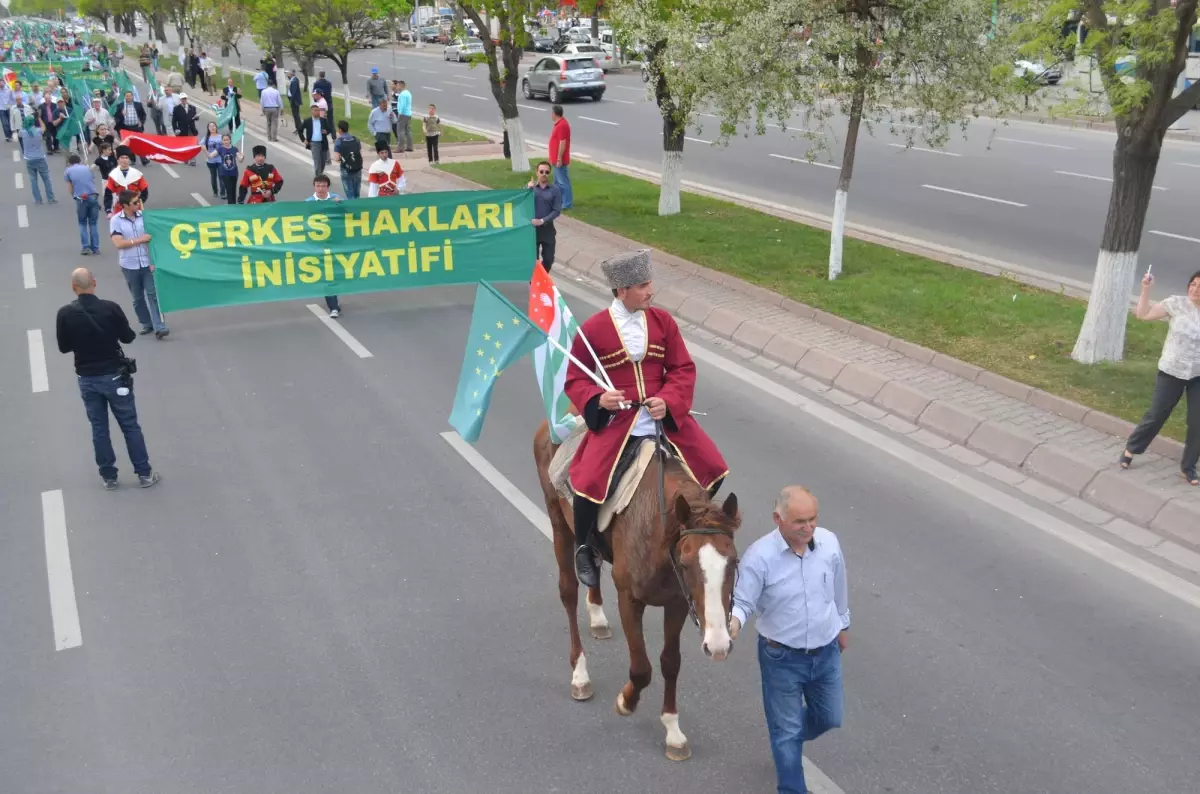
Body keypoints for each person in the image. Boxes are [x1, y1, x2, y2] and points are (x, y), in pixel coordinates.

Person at [563, 249, 728, 587]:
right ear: (622, 290)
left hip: (662, 418)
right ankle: (585, 548)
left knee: (713, 466)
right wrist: (598, 398)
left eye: (650, 283)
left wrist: (668, 401)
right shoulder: (593, 330)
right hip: (618, 423)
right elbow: (575, 379)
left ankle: (697, 532)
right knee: (587, 483)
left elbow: (682, 368)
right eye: (642, 285)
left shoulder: (663, 322)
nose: (651, 291)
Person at [729, 486, 849, 794]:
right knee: (786, 731)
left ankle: (789, 741)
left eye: (812, 519)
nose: (808, 527)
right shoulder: (759, 557)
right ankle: (790, 775)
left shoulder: (829, 543)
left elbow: (838, 587)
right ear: (778, 519)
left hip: (826, 653)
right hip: (781, 657)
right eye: (799, 522)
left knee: (830, 717)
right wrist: (733, 625)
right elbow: (743, 602)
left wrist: (842, 625)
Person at [55, 267, 161, 490]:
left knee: (99, 428)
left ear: (73, 287)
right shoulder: (110, 308)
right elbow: (128, 337)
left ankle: (109, 476)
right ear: (94, 282)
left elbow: (64, 347)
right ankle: (144, 473)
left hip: (87, 378)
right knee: (130, 425)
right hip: (114, 376)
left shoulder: (65, 313)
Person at [1120, 269, 1200, 485]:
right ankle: (1131, 449)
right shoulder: (1177, 304)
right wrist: (1146, 289)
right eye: (1193, 285)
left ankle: (1188, 467)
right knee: (1157, 415)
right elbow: (1143, 315)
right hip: (1172, 370)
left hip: (1197, 374)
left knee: (1197, 422)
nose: (1195, 290)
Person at [110, 189, 169, 340]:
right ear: (124, 205)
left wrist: (155, 260)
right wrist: (139, 240)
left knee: (152, 294)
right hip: (129, 265)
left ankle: (159, 326)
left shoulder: (145, 217)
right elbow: (118, 243)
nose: (138, 205)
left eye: (139, 201)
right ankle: (146, 323)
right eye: (135, 203)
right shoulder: (116, 220)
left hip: (147, 263)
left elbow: (156, 238)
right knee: (137, 298)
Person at [306, 174, 343, 318]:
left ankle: (335, 300)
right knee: (328, 275)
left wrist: (341, 206)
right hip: (319, 246)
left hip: (336, 243)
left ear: (328, 187)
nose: (320, 188)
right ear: (314, 186)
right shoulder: (308, 202)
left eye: (323, 185)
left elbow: (348, 217)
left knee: (337, 274)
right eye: (318, 185)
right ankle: (333, 307)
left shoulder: (336, 199)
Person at [527, 160, 561, 271]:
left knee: (548, 259)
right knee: (533, 260)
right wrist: (527, 189)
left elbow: (556, 210)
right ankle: (534, 282)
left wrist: (542, 220)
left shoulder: (555, 190)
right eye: (541, 171)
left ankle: (543, 277)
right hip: (533, 230)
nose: (544, 174)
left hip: (547, 229)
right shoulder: (531, 188)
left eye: (547, 172)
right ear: (537, 172)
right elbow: (522, 203)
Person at [65, 153, 101, 255]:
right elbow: (92, 181)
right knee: (93, 224)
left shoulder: (68, 171)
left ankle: (85, 247)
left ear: (69, 163)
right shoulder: (87, 168)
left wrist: (74, 196)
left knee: (82, 223)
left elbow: (70, 187)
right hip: (93, 196)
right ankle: (96, 248)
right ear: (79, 161)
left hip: (81, 198)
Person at [19, 114, 56, 205]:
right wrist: (39, 117)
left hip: (29, 159)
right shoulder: (38, 131)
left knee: (33, 180)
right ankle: (50, 198)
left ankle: (38, 199)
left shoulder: (22, 132)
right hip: (40, 158)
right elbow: (44, 127)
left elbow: (21, 129)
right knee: (46, 179)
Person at [104, 146, 149, 217]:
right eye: (122, 158)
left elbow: (145, 192)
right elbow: (108, 194)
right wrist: (108, 210)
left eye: (126, 158)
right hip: (119, 209)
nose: (124, 160)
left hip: (135, 209)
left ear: (129, 160)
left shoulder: (137, 174)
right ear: (118, 160)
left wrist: (137, 202)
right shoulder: (113, 175)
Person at [112, 90, 150, 166]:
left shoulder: (138, 105)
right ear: (125, 97)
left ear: (132, 97)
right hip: (125, 127)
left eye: (130, 96)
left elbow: (143, 115)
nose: (128, 97)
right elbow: (116, 116)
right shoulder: (121, 105)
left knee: (139, 143)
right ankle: (132, 159)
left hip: (136, 127)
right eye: (127, 96)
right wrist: (121, 114)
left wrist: (141, 122)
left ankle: (143, 159)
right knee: (129, 144)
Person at [331, 119, 364, 199]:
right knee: (357, 192)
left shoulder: (339, 141)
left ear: (340, 130)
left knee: (350, 192)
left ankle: (352, 209)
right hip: (357, 168)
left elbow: (337, 158)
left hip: (346, 169)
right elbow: (360, 154)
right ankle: (357, 207)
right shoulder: (356, 139)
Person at [549, 104, 573, 210]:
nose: (551, 115)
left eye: (552, 113)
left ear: (555, 114)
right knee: (557, 182)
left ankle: (567, 203)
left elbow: (562, 143)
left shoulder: (562, 125)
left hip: (559, 160)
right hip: (555, 159)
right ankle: (558, 200)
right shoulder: (559, 124)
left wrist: (559, 158)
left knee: (563, 182)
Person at [300, 102, 333, 177]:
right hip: (314, 144)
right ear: (312, 111)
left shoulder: (323, 120)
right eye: (314, 110)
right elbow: (300, 130)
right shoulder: (307, 121)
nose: (316, 112)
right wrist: (303, 139)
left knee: (323, 161)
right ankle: (318, 177)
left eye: (318, 110)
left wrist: (326, 131)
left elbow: (329, 129)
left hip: (323, 143)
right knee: (317, 161)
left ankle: (319, 174)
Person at [171, 94, 199, 165]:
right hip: (182, 130)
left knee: (192, 145)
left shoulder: (192, 108)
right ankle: (185, 158)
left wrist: (196, 117)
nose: (184, 100)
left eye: (185, 99)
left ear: (187, 99)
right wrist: (176, 129)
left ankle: (193, 160)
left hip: (191, 129)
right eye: (182, 99)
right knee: (184, 145)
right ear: (180, 100)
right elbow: (174, 121)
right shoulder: (176, 108)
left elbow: (196, 118)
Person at [216, 132, 243, 205]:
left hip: (234, 173)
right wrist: (205, 150)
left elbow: (240, 160)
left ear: (230, 140)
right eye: (224, 140)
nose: (226, 141)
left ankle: (233, 204)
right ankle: (230, 205)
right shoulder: (220, 149)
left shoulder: (234, 149)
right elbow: (211, 156)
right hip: (224, 173)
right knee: (229, 189)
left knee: (233, 189)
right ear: (222, 141)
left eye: (227, 140)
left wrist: (242, 156)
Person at [200, 121, 224, 198]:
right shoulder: (206, 138)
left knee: (221, 177)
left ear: (216, 127)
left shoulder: (221, 137)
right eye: (210, 126)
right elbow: (200, 146)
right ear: (208, 128)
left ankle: (223, 193)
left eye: (213, 126)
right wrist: (204, 150)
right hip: (211, 161)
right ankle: (215, 191)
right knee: (213, 176)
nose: (212, 128)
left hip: (220, 160)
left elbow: (226, 145)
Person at [394, 79, 413, 152]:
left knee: (400, 131)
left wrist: (400, 113)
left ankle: (400, 147)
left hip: (403, 114)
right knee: (407, 130)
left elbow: (403, 105)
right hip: (408, 114)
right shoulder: (408, 93)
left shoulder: (403, 94)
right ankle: (410, 146)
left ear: (401, 85)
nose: (397, 87)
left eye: (398, 85)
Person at [286, 69, 303, 134]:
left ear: (291, 74)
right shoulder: (293, 79)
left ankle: (299, 128)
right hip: (293, 100)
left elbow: (294, 92)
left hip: (294, 101)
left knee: (296, 115)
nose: (287, 75)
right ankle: (298, 128)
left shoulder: (294, 81)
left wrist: (291, 101)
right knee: (295, 115)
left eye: (288, 73)